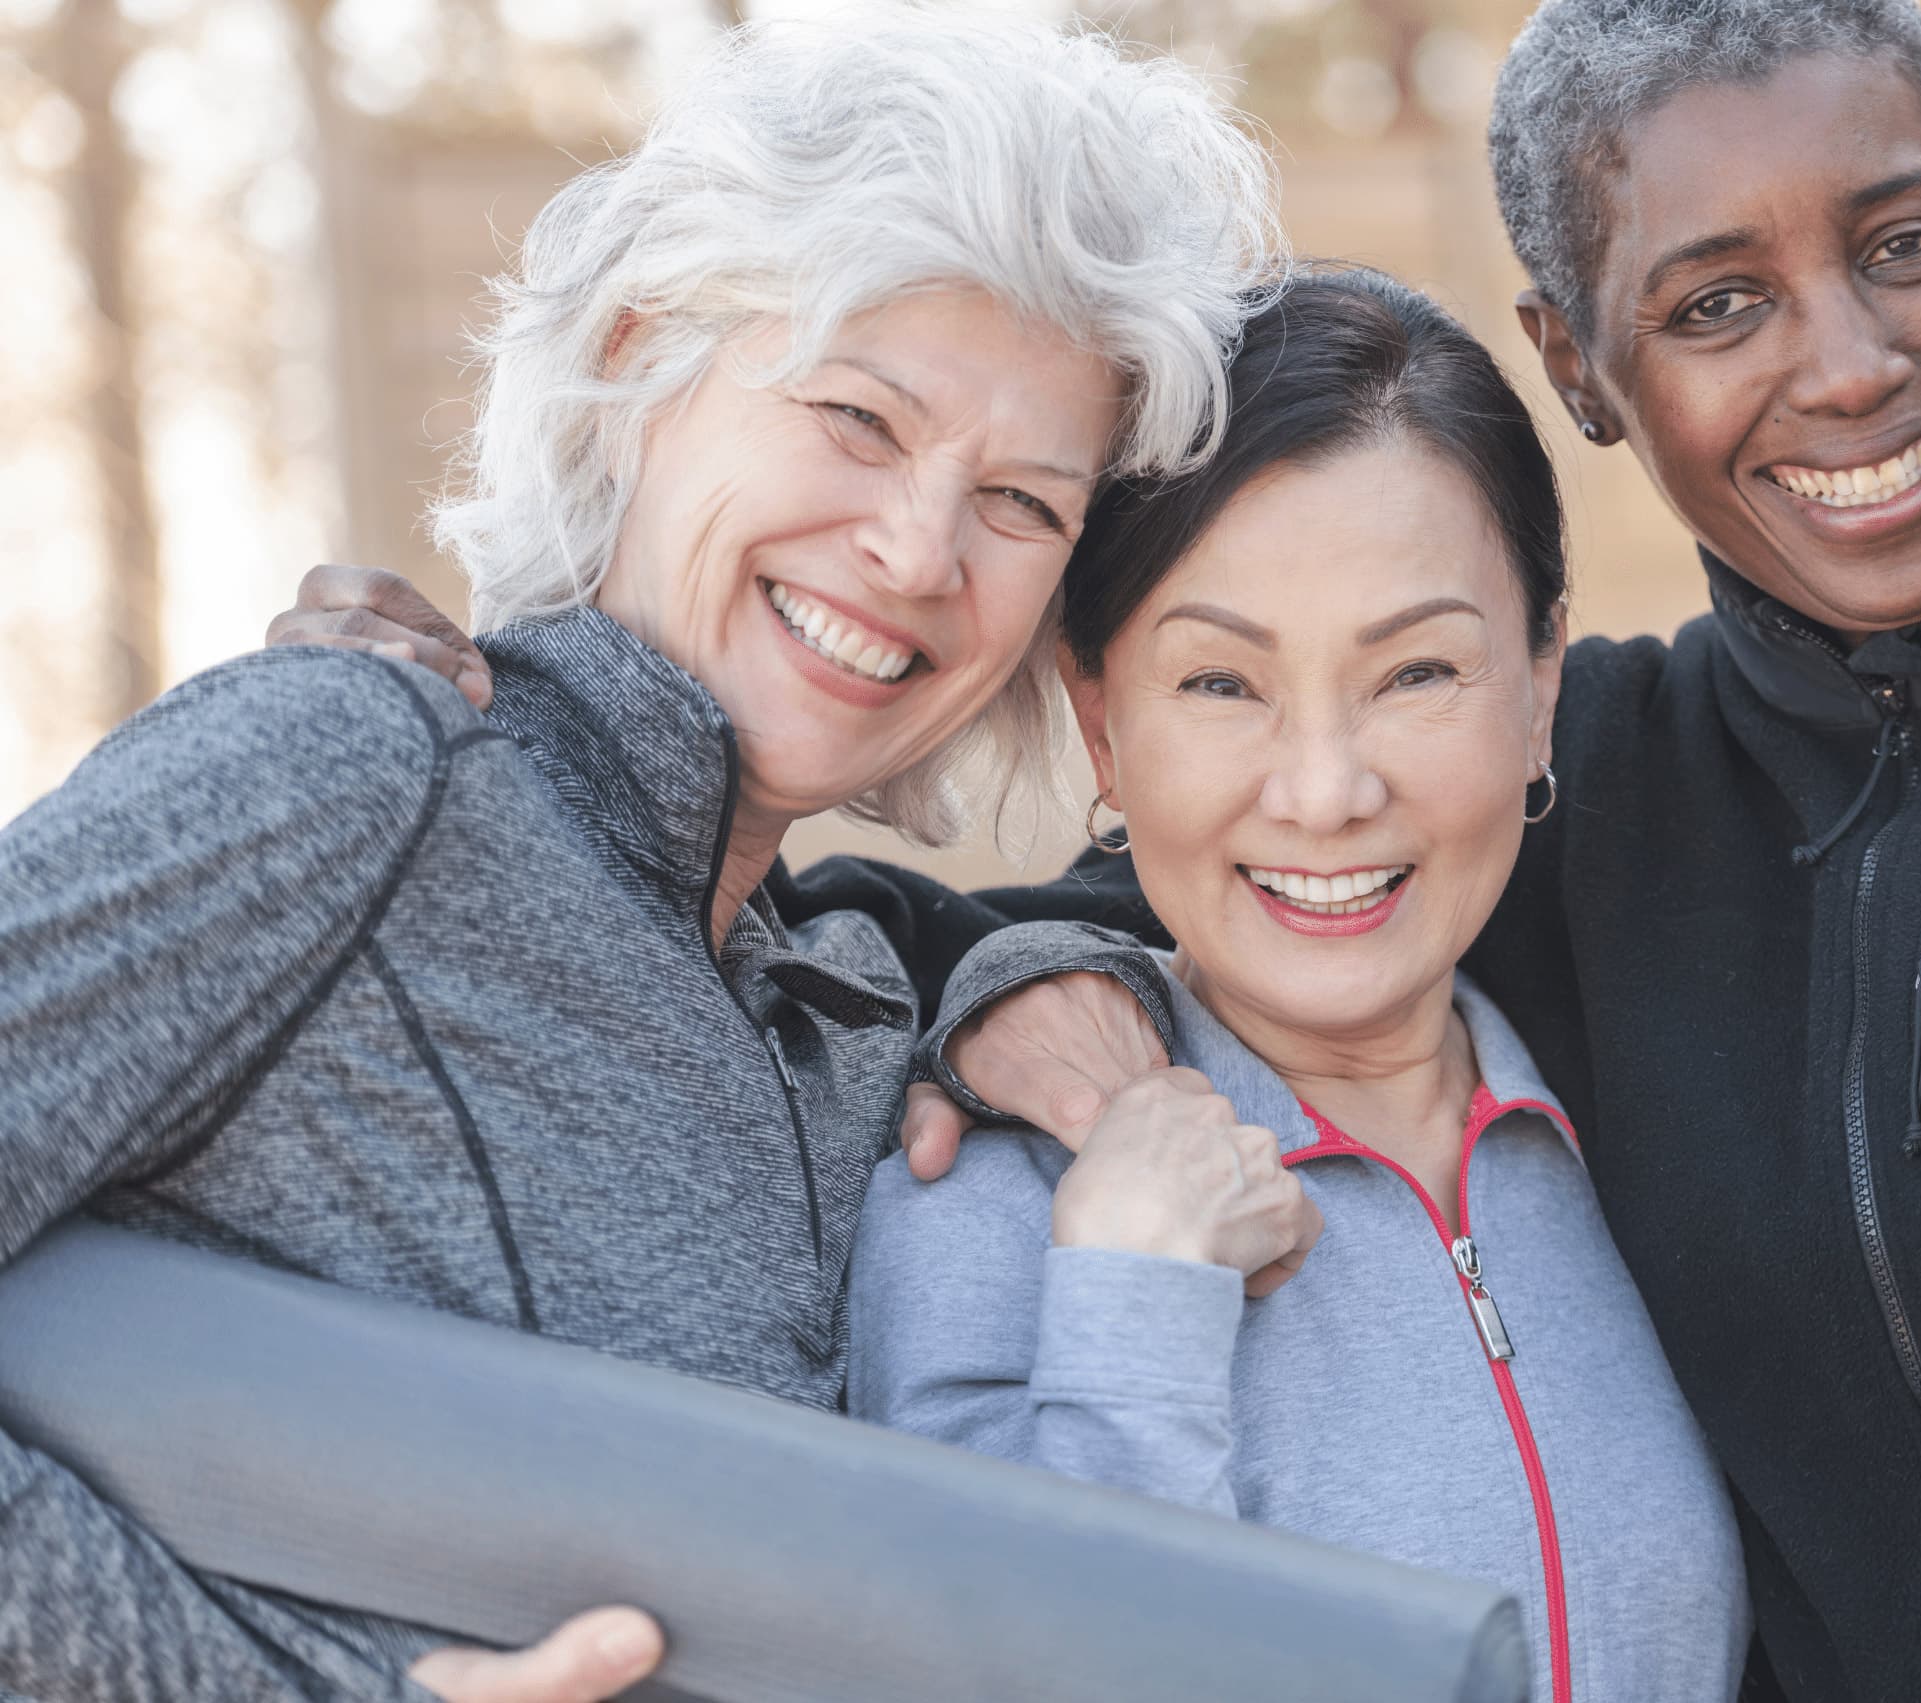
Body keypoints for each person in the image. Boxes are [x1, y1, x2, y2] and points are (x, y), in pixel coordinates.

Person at [274, 1, 1921, 1694]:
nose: (1847, 366)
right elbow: (1128, 889)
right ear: (1582, 366)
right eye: (1714, 304)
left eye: (1904, 242)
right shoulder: (1595, 804)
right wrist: (996, 993)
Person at [0, 9, 1280, 1699]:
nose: (915, 548)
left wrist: (1013, 970)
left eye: (1022, 504)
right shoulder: (350, 774)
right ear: (634, 363)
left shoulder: (845, 1010)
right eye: (858, 417)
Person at [847, 269, 1749, 1703]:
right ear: (1102, 722)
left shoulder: (1639, 1125)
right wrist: (1134, 1296)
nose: (1326, 792)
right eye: (1221, 684)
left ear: (1538, 689)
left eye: (1416, 674)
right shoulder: (988, 1200)